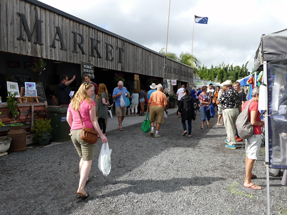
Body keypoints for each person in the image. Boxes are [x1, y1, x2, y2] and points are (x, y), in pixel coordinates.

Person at [66, 82, 108, 200]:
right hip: (86, 134)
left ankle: (83, 178)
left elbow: (69, 119)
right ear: (85, 91)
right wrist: (101, 135)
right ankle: (81, 188)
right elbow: (94, 121)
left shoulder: (73, 102)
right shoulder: (90, 102)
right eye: (91, 91)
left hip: (74, 133)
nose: (93, 93)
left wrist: (74, 128)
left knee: (83, 158)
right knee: (88, 160)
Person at [242, 87, 263, 190]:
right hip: (254, 132)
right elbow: (253, 122)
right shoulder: (255, 104)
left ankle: (249, 175)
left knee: (248, 154)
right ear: (257, 95)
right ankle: (247, 181)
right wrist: (262, 123)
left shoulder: (247, 103)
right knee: (252, 156)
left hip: (248, 132)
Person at [218, 80, 241, 149]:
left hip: (228, 110)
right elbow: (239, 102)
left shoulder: (226, 92)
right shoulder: (235, 92)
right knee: (233, 126)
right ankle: (229, 139)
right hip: (236, 110)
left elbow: (219, 101)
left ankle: (232, 143)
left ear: (226, 86)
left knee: (229, 127)